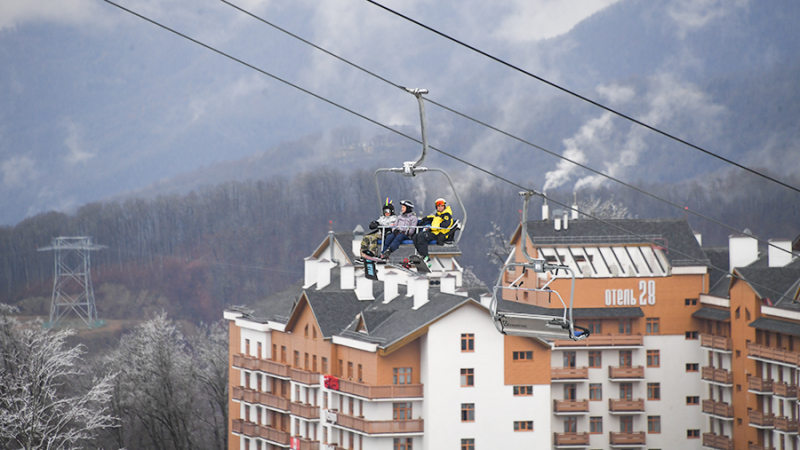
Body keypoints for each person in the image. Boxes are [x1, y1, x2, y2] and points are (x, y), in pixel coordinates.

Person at [413, 198, 455, 267]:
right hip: (435, 232)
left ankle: (425, 256)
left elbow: (445, 224)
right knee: (415, 237)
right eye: (438, 206)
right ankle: (420, 254)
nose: (440, 208)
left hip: (440, 234)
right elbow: (434, 218)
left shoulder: (446, 215)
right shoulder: (438, 215)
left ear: (444, 206)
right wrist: (427, 218)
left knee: (422, 236)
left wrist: (433, 227)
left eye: (441, 206)